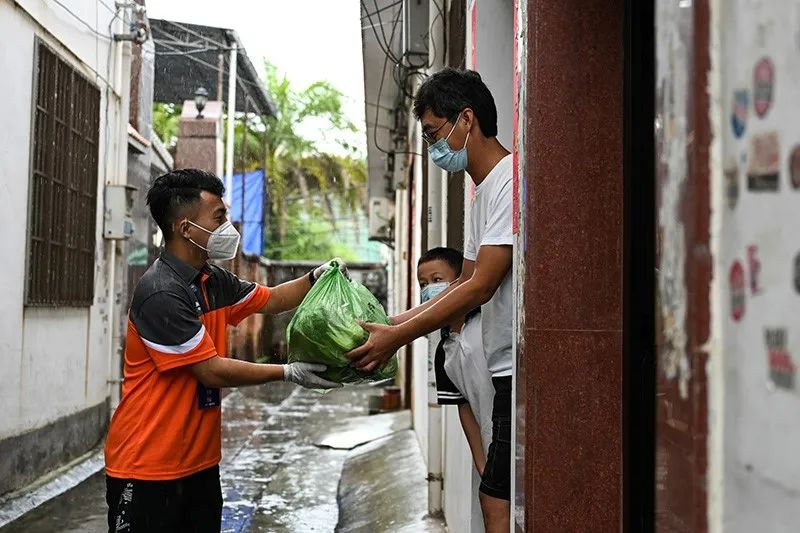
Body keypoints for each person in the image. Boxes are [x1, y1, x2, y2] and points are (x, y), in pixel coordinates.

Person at [104, 168, 343, 533]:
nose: (227, 227)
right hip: (147, 465)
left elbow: (273, 299)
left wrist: (315, 277)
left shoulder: (212, 280)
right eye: (218, 217)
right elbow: (210, 370)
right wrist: (287, 372)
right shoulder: (162, 291)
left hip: (199, 465)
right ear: (186, 228)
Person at [348, 68, 514, 532]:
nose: (432, 147)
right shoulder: (483, 192)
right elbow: (462, 284)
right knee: (498, 497)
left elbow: (480, 287)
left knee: (497, 500)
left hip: (516, 371)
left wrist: (397, 337)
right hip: (501, 368)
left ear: (467, 119)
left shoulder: (509, 180)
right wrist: (392, 323)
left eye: (433, 133)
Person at [418, 247, 494, 475]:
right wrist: (482, 465)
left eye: (437, 280)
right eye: (423, 284)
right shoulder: (444, 350)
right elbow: (465, 408)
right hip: (490, 452)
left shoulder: (487, 326)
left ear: (461, 280)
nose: (429, 289)